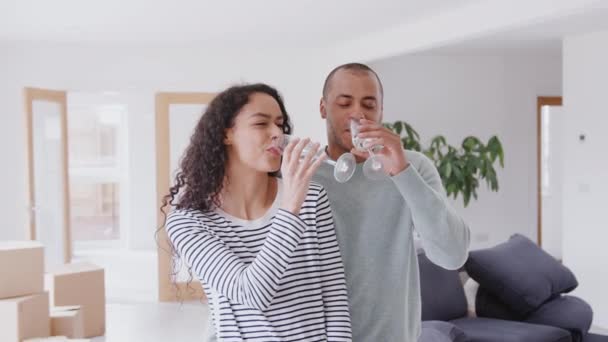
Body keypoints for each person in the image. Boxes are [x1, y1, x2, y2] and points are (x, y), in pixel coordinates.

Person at [162, 83, 352, 341]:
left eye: (280, 124)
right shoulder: (188, 222)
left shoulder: (312, 197)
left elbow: (334, 297)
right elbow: (252, 294)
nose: (276, 133)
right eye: (261, 124)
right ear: (226, 134)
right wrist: (290, 207)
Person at [313, 63, 471, 341]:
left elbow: (452, 254)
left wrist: (401, 171)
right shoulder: (303, 173)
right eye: (344, 103)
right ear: (324, 108)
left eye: (369, 104)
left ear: (381, 111)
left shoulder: (414, 166)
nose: (357, 113)